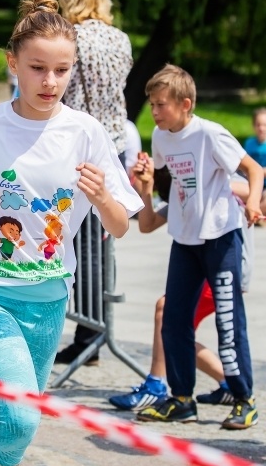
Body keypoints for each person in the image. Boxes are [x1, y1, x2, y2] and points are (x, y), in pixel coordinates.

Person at [0, 0, 143, 466]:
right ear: (12, 64)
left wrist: (102, 196)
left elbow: (121, 225)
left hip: (48, 301)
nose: (50, 81)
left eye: (62, 70)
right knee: (21, 419)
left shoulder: (86, 133)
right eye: (38, 67)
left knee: (6, 417)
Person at [127, 64, 263, 430]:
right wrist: (146, 183)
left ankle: (244, 398)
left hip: (220, 237)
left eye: (160, 105)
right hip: (184, 240)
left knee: (228, 322)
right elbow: (167, 196)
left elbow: (254, 171)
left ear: (185, 104)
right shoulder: (160, 137)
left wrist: (253, 202)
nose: (154, 112)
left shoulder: (210, 134)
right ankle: (182, 398)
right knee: (172, 322)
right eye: (152, 105)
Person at [108, 170, 254, 412]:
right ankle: (226, 383)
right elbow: (147, 224)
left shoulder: (215, 169)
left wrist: (197, 180)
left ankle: (157, 385)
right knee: (176, 331)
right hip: (199, 264)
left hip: (225, 264)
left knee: (166, 312)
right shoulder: (182, 188)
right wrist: (148, 187)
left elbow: (251, 188)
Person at [54, 0, 134, 367]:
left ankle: (88, 331)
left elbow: (70, 98)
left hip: (82, 147)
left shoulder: (75, 39)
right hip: (115, 147)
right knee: (105, 241)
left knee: (81, 243)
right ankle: (97, 325)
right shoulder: (120, 39)